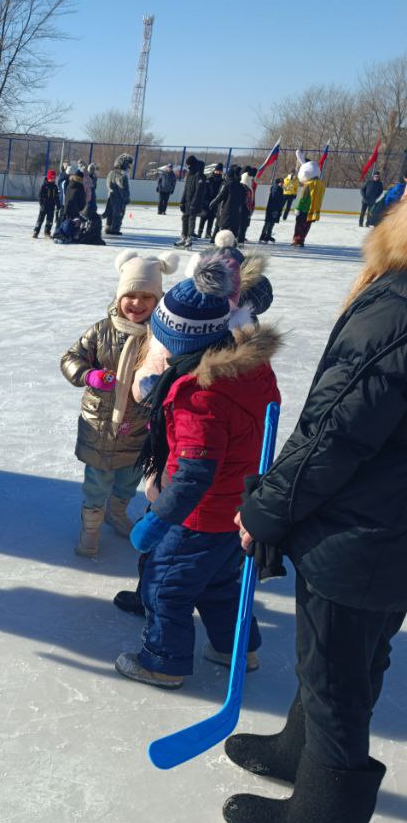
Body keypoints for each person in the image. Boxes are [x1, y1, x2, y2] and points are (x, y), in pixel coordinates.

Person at [223, 198, 407, 823]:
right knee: (350, 656)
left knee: (336, 675)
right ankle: (297, 750)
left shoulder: (396, 310)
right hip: (386, 529)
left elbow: (335, 433)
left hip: (364, 529)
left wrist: (267, 510)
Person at [114, 252, 280, 689]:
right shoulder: (252, 368)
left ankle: (162, 662)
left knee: (164, 588)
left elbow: (193, 473)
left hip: (200, 515)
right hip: (238, 508)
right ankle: (236, 648)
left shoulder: (199, 395)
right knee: (219, 583)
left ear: (185, 341)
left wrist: (157, 520)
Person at [60, 251, 178, 557]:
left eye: (145, 297)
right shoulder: (102, 330)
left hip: (139, 425)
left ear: (157, 300)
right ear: (120, 295)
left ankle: (117, 512)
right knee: (97, 481)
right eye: (130, 295)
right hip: (100, 423)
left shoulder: (160, 337)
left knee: (129, 478)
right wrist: (89, 374)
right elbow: (70, 359)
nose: (137, 304)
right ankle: (90, 529)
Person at [291, 154, 325, 247]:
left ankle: (297, 240)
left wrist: (298, 208)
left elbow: (303, 197)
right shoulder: (321, 184)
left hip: (304, 209)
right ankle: (302, 240)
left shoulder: (309, 184)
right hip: (313, 209)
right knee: (307, 225)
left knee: (299, 225)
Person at [208, 164, 248, 241]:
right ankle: (232, 243)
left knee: (224, 229)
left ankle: (222, 244)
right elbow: (243, 200)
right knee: (233, 230)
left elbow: (220, 196)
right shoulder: (241, 186)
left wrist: (212, 203)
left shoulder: (228, 185)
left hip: (227, 212)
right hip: (236, 212)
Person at [177, 154, 207, 247]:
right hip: (187, 201)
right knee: (184, 218)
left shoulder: (199, 175)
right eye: (187, 164)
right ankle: (184, 237)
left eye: (189, 164)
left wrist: (194, 203)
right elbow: (186, 189)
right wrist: (182, 201)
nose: (188, 166)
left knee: (191, 219)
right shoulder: (190, 174)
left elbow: (199, 191)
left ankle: (189, 239)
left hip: (194, 202)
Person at [104, 154, 133, 235]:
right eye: (128, 164)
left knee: (110, 212)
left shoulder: (111, 173)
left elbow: (108, 185)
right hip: (119, 198)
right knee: (119, 213)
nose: (129, 167)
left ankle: (108, 227)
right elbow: (124, 188)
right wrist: (126, 199)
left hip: (111, 196)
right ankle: (115, 229)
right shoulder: (122, 175)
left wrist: (111, 191)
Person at [197, 164, 224, 238]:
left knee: (211, 218)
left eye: (219, 171)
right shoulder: (209, 179)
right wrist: (204, 200)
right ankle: (200, 231)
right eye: (216, 171)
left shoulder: (222, 181)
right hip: (206, 201)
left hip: (215, 202)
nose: (218, 172)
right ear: (214, 170)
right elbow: (204, 190)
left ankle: (208, 233)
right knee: (203, 217)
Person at [33, 169, 59, 237]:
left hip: (51, 207)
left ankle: (47, 232)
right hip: (44, 206)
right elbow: (40, 196)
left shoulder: (55, 187)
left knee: (50, 221)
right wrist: (41, 204)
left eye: (54, 178)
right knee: (40, 220)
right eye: (52, 178)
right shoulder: (44, 186)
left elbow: (56, 197)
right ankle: (36, 231)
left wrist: (57, 204)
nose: (53, 179)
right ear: (48, 177)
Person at [258, 178, 286, 243]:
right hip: (273, 209)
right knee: (268, 223)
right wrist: (276, 210)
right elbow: (274, 199)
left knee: (271, 223)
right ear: (278, 182)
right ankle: (263, 237)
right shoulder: (276, 189)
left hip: (274, 209)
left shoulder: (277, 188)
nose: (283, 184)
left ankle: (267, 236)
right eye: (282, 182)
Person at [239, 166, 257, 243]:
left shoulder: (251, 180)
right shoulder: (246, 178)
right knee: (243, 222)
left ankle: (241, 236)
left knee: (245, 222)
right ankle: (240, 237)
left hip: (249, 202)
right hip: (246, 203)